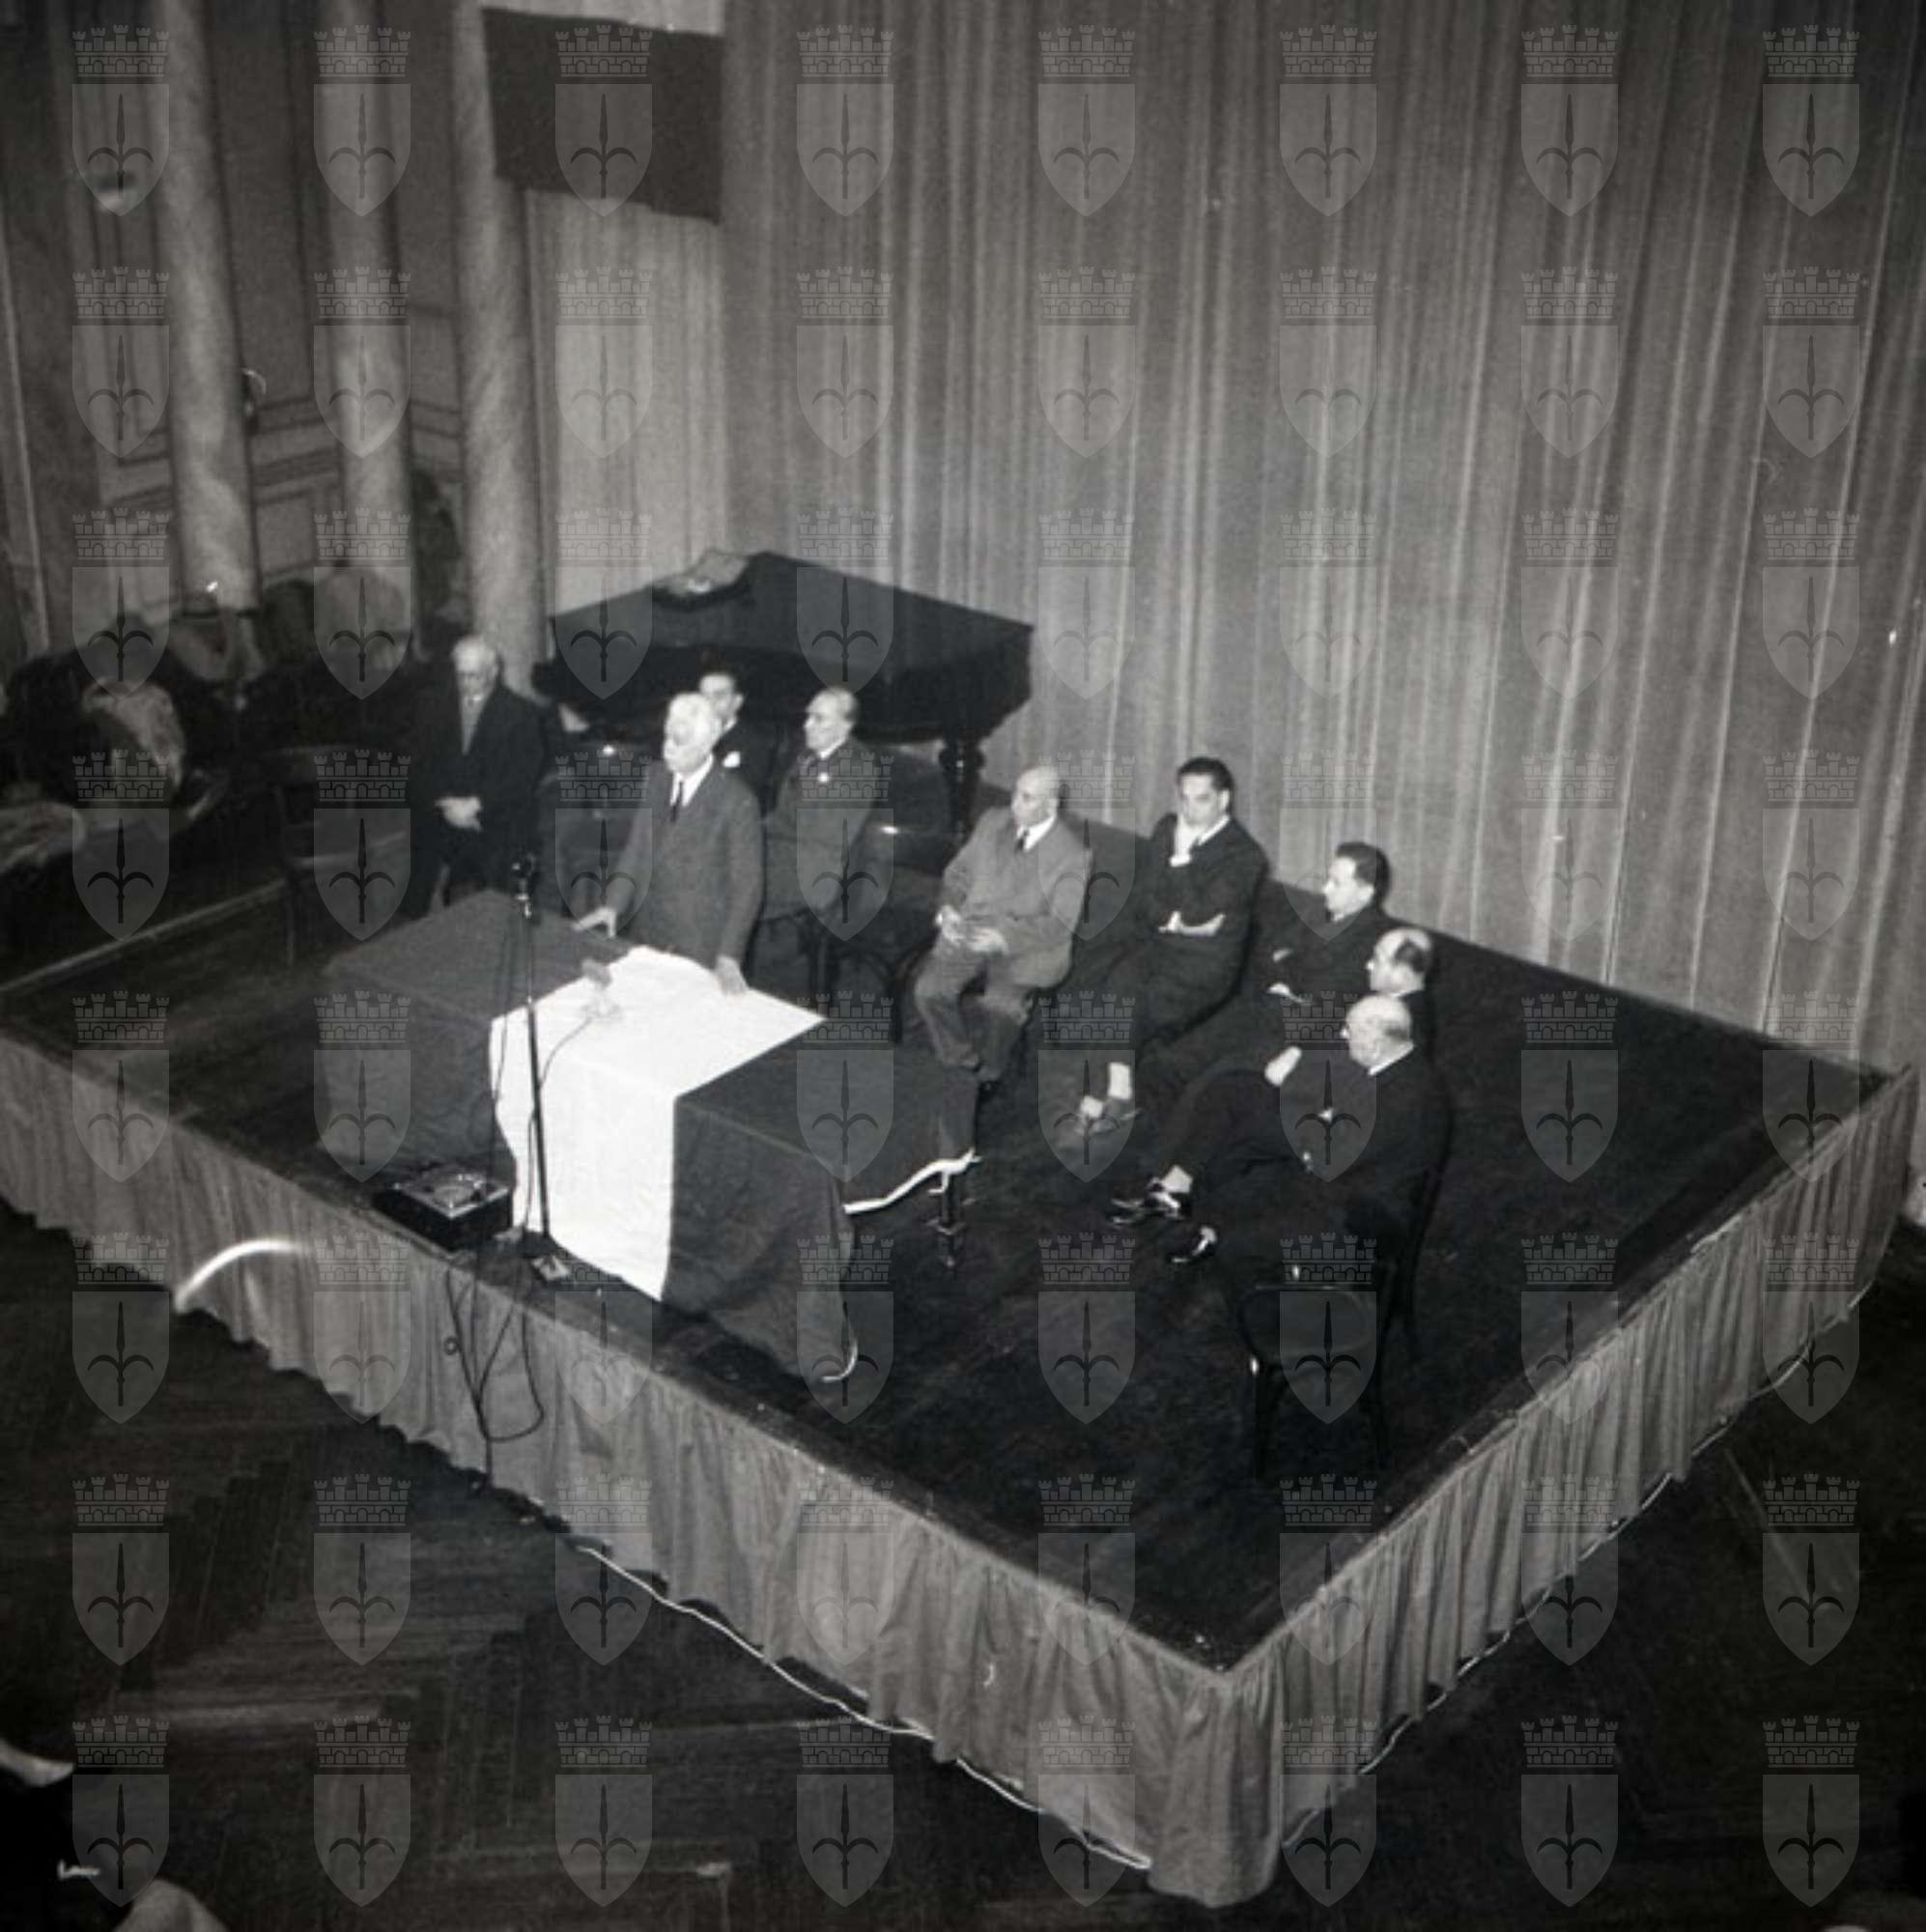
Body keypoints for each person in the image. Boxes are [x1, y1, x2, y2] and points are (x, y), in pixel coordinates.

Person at [1152, 994, 1450, 1276]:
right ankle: (1213, 1232)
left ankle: (1231, 1253)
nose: (1343, 1035)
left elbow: (1328, 1156)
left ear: (1375, 1044)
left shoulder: (1407, 1098)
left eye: (1349, 1031)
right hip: (1346, 1182)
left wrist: (1318, 1134)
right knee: (1233, 1192)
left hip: (1359, 1212)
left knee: (1240, 1240)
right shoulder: (1399, 1064)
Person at [1061, 757, 1267, 1136]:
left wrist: (1182, 859)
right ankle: (1116, 1090)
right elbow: (1145, 897)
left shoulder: (1245, 856)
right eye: (1183, 798)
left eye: (1201, 800)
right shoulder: (1166, 828)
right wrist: (1178, 922)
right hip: (1161, 944)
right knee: (1109, 980)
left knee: (1132, 998)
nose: (1189, 809)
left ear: (1224, 800)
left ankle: (1108, 1094)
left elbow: (1199, 908)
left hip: (1205, 966)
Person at [1130, 840, 1396, 1129]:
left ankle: (1166, 1148)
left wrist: (1290, 972)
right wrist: (1290, 975)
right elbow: (1268, 956)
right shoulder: (1318, 914)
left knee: (1209, 1085)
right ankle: (1143, 1137)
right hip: (1259, 1006)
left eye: (1336, 883)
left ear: (1366, 892)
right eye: (1327, 879)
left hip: (1297, 1032)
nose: (1325, 889)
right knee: (1167, 1063)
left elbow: (1334, 993)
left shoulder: (1380, 940)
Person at [913, 764, 1090, 1105]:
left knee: (1001, 1007)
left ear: (1051, 805)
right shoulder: (992, 822)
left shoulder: (1072, 855)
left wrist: (1003, 938)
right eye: (1015, 794)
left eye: (1027, 798)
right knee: (928, 990)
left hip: (1029, 945)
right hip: (971, 928)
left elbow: (1060, 922)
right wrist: (949, 909)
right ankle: (961, 1061)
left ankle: (992, 1070)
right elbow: (957, 875)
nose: (1014, 805)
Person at [575, 692, 761, 995]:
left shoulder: (737, 800)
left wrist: (729, 954)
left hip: (700, 939)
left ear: (707, 744)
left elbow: (747, 887)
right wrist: (614, 904)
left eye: (679, 741)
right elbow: (638, 847)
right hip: (649, 926)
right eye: (666, 737)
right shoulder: (656, 777)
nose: (668, 748)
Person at [399, 636, 546, 918]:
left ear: (494, 671)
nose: (466, 683)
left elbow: (522, 777)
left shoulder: (522, 713)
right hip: (442, 812)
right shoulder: (432, 705)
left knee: (507, 857)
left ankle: (497, 920)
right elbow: (418, 765)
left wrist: (476, 805)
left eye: (474, 675)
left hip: (493, 816)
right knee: (421, 857)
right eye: (461, 675)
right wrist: (447, 805)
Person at [759, 687, 883, 927]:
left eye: (819, 718)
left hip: (819, 872)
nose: (807, 725)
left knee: (731, 884)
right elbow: (783, 815)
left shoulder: (858, 765)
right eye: (808, 716)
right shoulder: (807, 757)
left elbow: (825, 835)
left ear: (845, 726)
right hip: (789, 855)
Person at [698, 666, 779, 808]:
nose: (708, 704)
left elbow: (744, 795)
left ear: (737, 702)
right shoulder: (682, 737)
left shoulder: (755, 742)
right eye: (703, 696)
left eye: (718, 696)